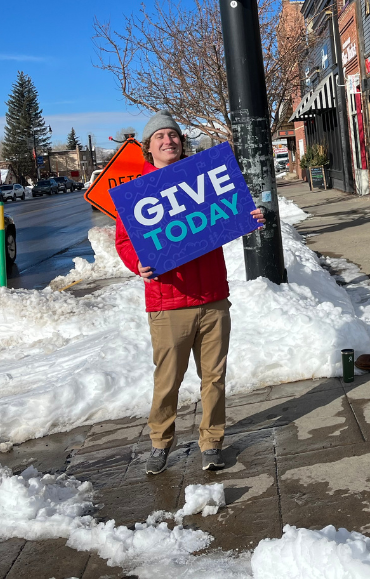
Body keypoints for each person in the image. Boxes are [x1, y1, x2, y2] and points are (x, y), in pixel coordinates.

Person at [116, 111, 265, 475]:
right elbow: (124, 240)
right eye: (160, 137)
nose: (169, 141)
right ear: (148, 147)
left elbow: (229, 212)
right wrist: (138, 262)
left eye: (173, 135)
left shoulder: (204, 180)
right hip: (168, 303)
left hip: (213, 298)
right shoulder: (139, 194)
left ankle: (212, 441)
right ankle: (160, 443)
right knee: (167, 380)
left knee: (214, 377)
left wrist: (251, 215)